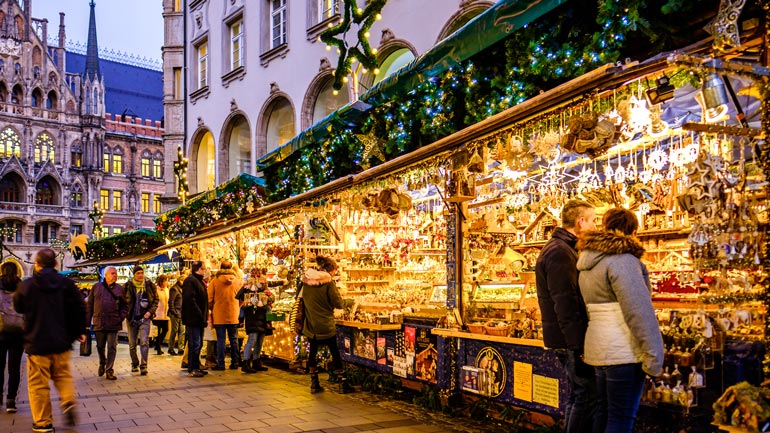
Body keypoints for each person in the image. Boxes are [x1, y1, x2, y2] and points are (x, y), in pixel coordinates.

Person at [577, 208, 665, 432]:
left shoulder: (589, 261)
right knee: (621, 417)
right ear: (633, 231)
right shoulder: (623, 260)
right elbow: (638, 311)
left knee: (603, 412)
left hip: (598, 347)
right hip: (622, 350)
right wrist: (654, 356)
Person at [535, 199, 598, 433]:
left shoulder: (561, 248)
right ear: (580, 222)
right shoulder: (561, 252)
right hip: (568, 338)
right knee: (585, 395)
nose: (594, 226)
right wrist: (578, 343)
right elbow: (565, 301)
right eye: (592, 220)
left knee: (579, 395)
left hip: (564, 336)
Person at [13, 248, 87, 433]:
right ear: (55, 264)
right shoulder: (67, 284)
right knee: (62, 376)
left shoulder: (27, 285)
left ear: (37, 264)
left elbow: (18, 307)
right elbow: (79, 307)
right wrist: (79, 330)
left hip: (37, 342)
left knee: (38, 384)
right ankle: (68, 401)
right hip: (61, 341)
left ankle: (43, 422)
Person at [301, 255, 353, 394]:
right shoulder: (328, 283)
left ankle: (314, 383)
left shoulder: (306, 281)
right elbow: (338, 303)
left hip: (311, 323)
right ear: (330, 271)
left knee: (312, 351)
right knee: (334, 352)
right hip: (325, 324)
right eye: (334, 272)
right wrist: (350, 302)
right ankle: (342, 382)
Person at [86, 266, 127, 381]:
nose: (115, 275)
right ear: (106, 275)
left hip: (113, 322)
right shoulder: (96, 287)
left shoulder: (120, 289)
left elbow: (125, 306)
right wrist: (87, 322)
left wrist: (120, 317)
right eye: (112, 273)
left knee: (112, 347)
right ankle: (102, 362)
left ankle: (109, 370)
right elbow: (89, 306)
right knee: (100, 346)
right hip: (99, 322)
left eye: (116, 274)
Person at [236, 271, 276, 373]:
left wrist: (268, 295)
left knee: (259, 341)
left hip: (262, 320)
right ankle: (246, 362)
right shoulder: (247, 291)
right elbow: (238, 297)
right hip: (252, 319)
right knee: (252, 340)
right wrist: (245, 287)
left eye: (262, 283)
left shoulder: (266, 291)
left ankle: (256, 361)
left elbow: (272, 299)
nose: (261, 285)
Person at [123, 265, 158, 376]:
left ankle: (144, 365)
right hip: (132, 318)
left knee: (144, 342)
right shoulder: (128, 285)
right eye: (138, 273)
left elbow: (156, 300)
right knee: (132, 344)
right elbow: (122, 300)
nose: (140, 275)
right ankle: (134, 363)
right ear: (134, 274)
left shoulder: (149, 285)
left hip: (145, 318)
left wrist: (150, 312)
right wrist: (124, 313)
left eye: (142, 272)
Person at [208, 261, 243, 370]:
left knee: (221, 340)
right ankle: (235, 362)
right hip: (233, 314)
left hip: (219, 315)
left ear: (220, 268)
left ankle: (221, 364)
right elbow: (243, 298)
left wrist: (213, 308)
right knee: (234, 339)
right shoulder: (238, 282)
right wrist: (237, 306)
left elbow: (209, 299)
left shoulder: (214, 282)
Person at [0, 262, 23, 413]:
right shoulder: (22, 287)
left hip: (0, 332)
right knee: (14, 368)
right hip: (18, 332)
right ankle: (11, 400)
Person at [182, 261, 208, 377]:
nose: (205, 270)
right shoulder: (191, 281)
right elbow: (190, 300)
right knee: (195, 343)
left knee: (199, 343)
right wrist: (199, 313)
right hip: (193, 318)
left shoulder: (198, 281)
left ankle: (196, 366)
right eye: (203, 268)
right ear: (198, 269)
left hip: (199, 318)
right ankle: (192, 368)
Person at [167, 269, 188, 356]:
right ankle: (171, 348)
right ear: (180, 280)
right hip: (175, 313)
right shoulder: (174, 289)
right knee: (174, 331)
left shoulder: (183, 289)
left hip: (182, 313)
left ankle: (181, 348)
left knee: (182, 331)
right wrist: (174, 312)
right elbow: (171, 302)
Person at [153, 274, 170, 355]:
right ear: (161, 281)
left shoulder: (167, 289)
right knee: (158, 331)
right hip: (157, 314)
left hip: (165, 314)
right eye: (165, 281)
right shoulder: (155, 289)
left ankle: (157, 344)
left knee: (166, 329)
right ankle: (158, 348)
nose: (167, 282)